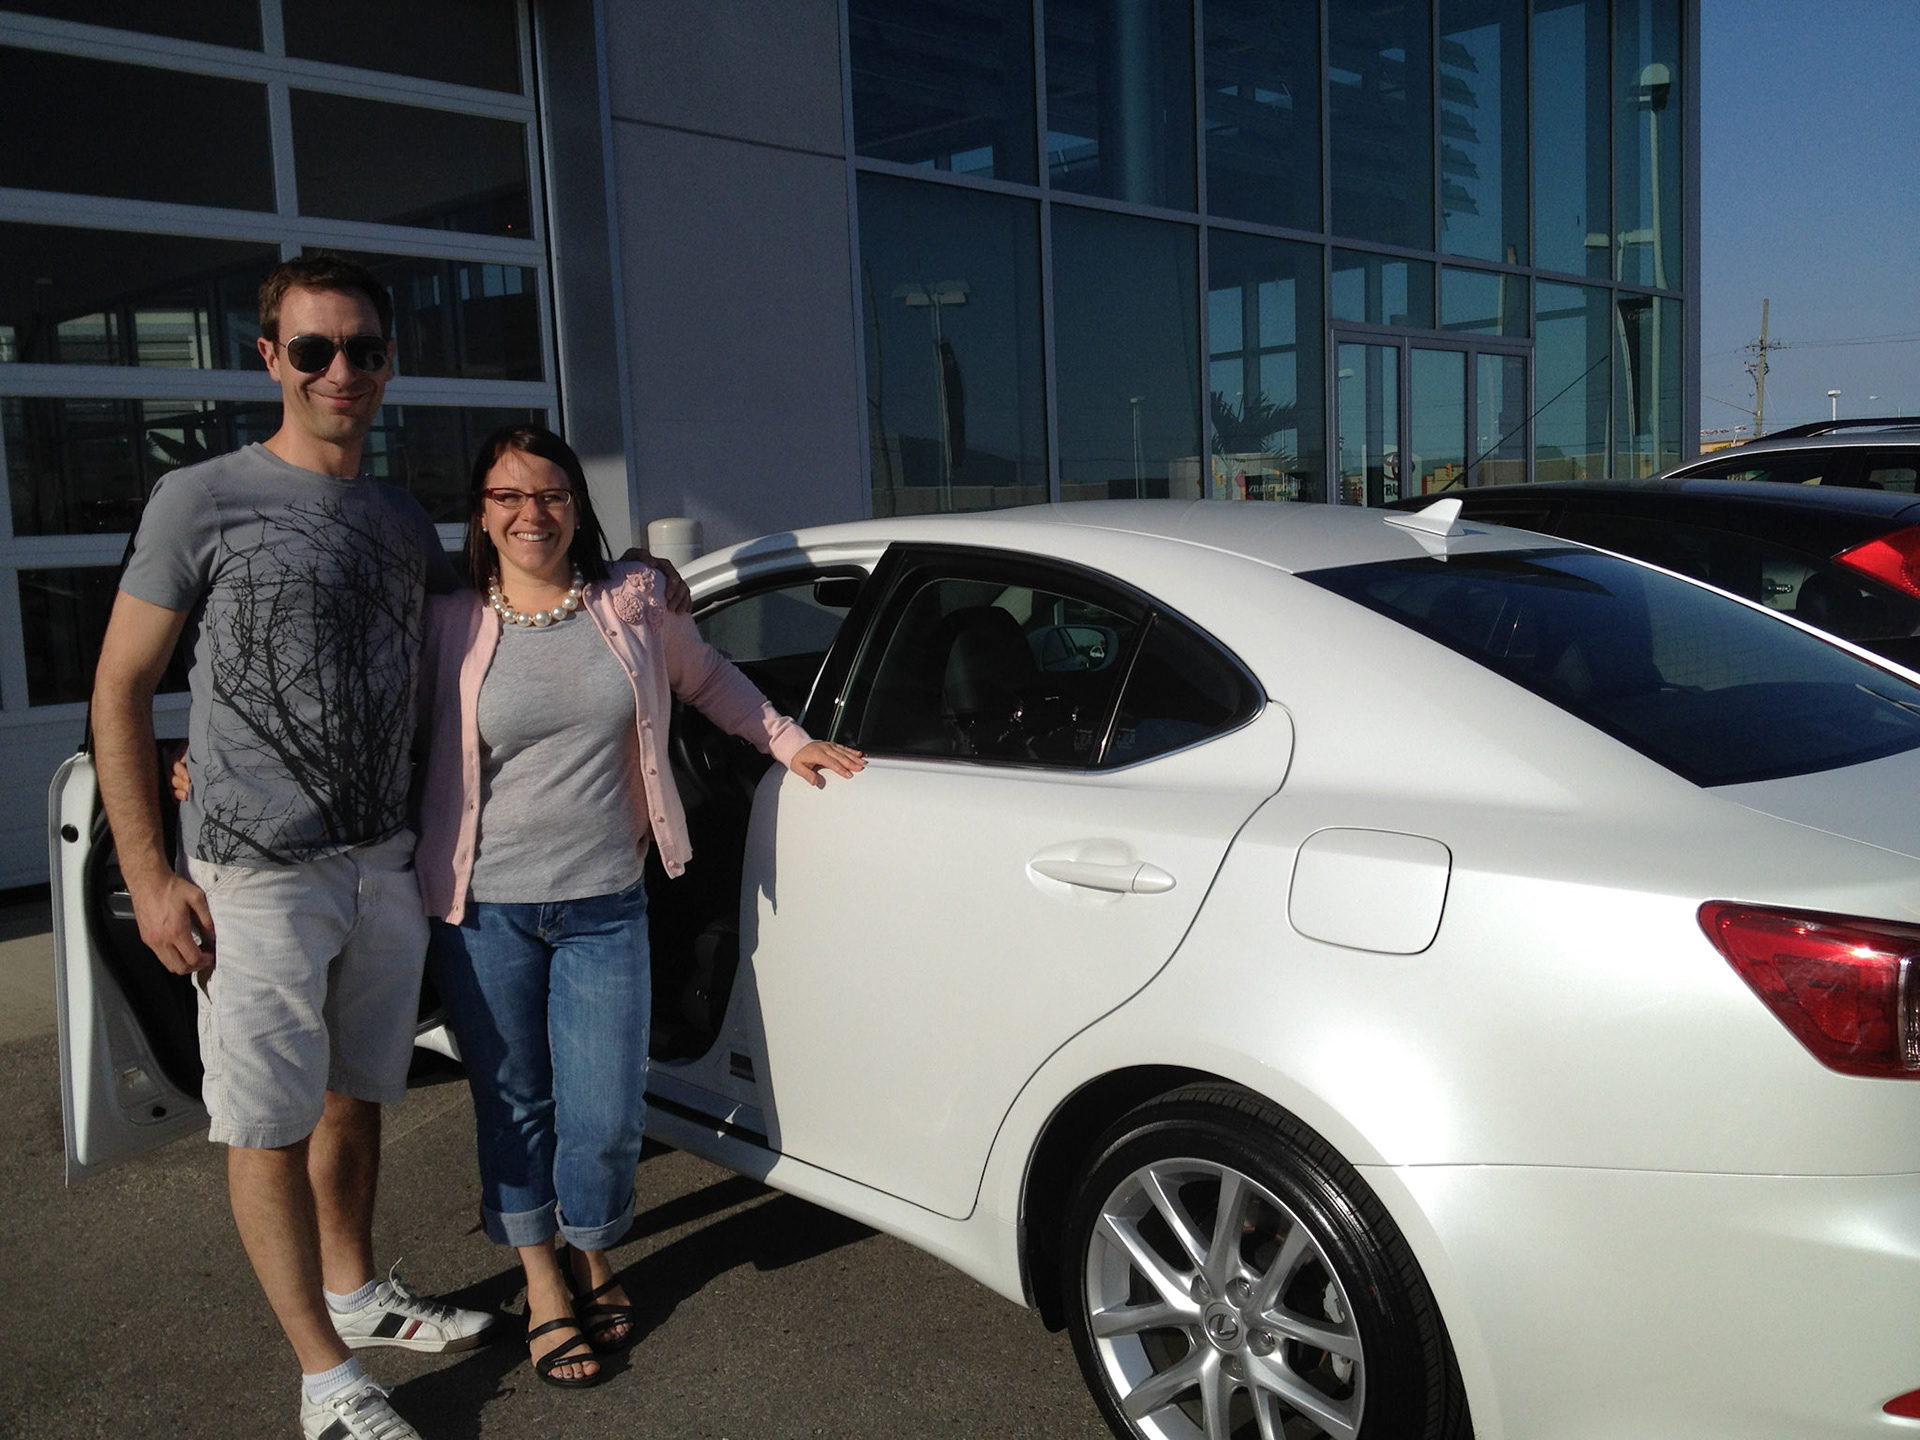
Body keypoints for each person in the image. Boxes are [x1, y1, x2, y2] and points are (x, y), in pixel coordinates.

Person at [93, 255, 499, 1440]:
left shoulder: (396, 519)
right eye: (313, 350)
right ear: (269, 359)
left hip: (379, 865)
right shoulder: (201, 499)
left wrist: (640, 586)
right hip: (254, 876)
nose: (340, 371)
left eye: (363, 350)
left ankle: (358, 1291)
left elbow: (490, 620)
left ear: (387, 364)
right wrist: (148, 871)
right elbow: (122, 688)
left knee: (358, 1096)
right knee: (265, 1123)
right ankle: (326, 1377)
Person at [413, 425, 864, 1388]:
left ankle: (594, 1245)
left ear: (577, 507)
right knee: (514, 1103)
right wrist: (207, 760)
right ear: (482, 515)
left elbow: (708, 682)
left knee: (607, 1111)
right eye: (509, 497)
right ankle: (545, 1283)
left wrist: (790, 742)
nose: (531, 513)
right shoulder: (445, 620)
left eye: (551, 495)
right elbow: (378, 722)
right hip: (484, 909)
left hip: (605, 903)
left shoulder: (629, 601)